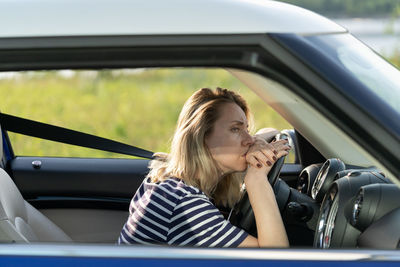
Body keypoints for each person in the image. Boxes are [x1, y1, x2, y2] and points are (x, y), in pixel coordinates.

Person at [118, 87, 290, 247]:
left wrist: (258, 141)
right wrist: (257, 180)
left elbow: (270, 130)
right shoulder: (186, 205)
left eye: (247, 129)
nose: (249, 139)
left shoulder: (166, 179)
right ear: (202, 136)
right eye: (235, 129)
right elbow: (276, 260)